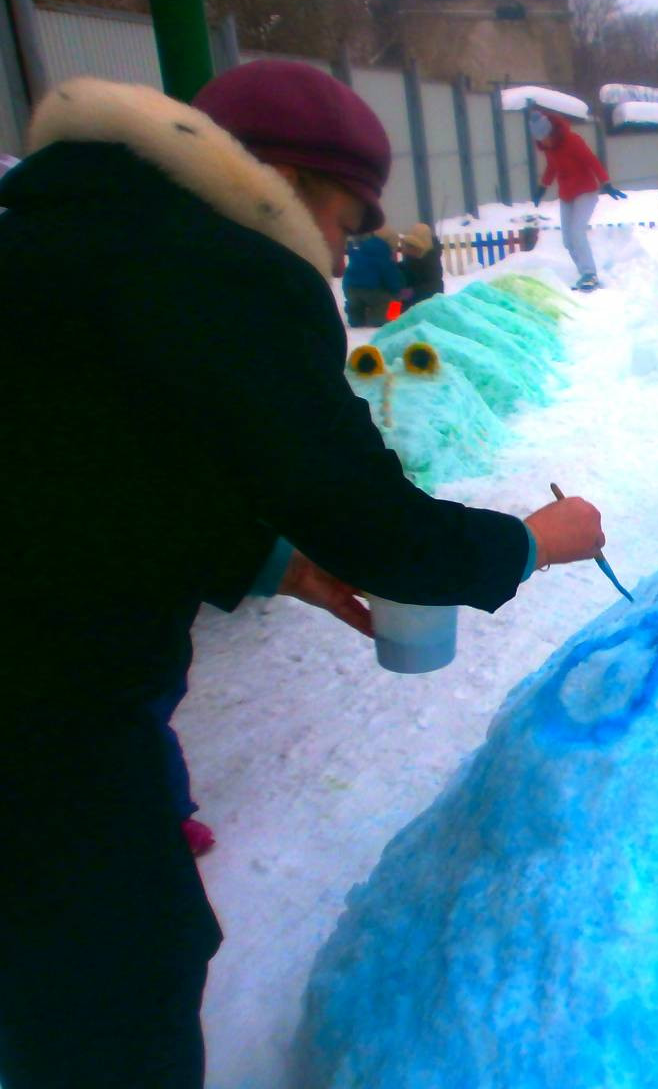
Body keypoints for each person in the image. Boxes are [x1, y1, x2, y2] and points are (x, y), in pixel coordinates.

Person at [0, 60, 605, 1088]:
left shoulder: (59, 227)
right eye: (343, 217)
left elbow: (94, 462)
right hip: (44, 707)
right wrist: (539, 539)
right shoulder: (223, 268)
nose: (339, 250)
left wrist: (273, 560)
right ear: (276, 177)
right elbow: (379, 526)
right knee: (121, 976)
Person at [528, 108, 626, 292]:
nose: (545, 142)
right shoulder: (549, 148)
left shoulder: (572, 141)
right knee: (568, 240)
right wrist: (542, 187)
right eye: (540, 139)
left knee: (577, 232)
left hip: (585, 192)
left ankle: (590, 274)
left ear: (551, 131)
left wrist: (606, 183)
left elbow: (592, 161)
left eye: (546, 137)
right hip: (567, 194)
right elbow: (552, 167)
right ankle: (584, 273)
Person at [342, 225, 404, 325]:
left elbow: (350, 273)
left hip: (350, 289)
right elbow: (392, 279)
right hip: (371, 291)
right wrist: (398, 289)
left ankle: (355, 315)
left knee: (356, 303)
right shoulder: (383, 252)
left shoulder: (361, 248)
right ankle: (387, 319)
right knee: (395, 299)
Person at [399, 221, 444, 307]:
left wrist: (413, 292)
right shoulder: (407, 261)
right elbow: (398, 298)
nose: (409, 249)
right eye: (409, 245)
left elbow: (436, 287)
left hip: (427, 309)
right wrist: (392, 317)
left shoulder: (431, 262)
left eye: (413, 246)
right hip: (408, 311)